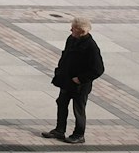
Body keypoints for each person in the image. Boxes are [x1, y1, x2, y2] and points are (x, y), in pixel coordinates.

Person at [41, 16, 104, 144]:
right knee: (61, 103)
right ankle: (60, 130)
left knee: (78, 109)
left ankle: (79, 134)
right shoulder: (71, 39)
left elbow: (98, 69)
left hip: (80, 85)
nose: (70, 30)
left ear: (81, 31)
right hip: (66, 81)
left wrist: (80, 79)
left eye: (73, 28)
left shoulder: (91, 46)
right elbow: (65, 56)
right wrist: (59, 72)